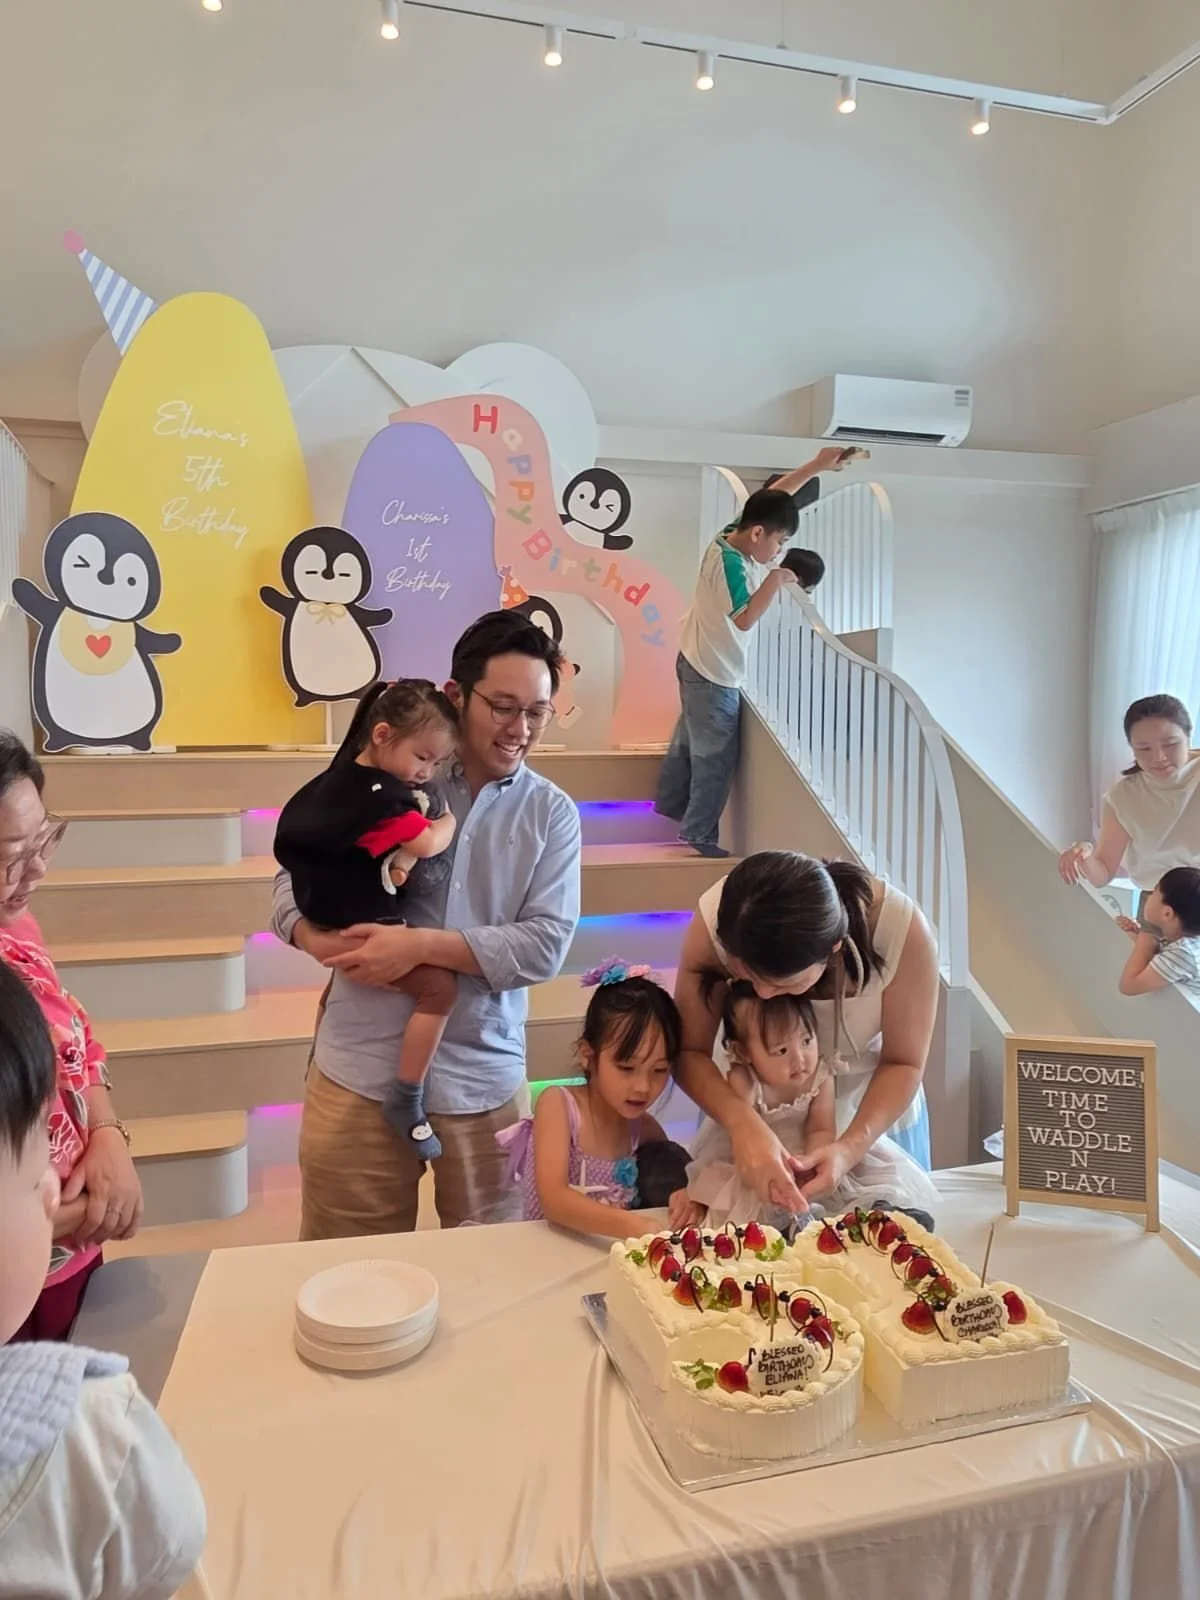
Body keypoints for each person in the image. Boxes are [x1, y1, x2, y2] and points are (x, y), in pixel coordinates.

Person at [272, 610, 582, 1238]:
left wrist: (417, 947)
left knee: (490, 1279)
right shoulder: (380, 777)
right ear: (455, 694)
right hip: (359, 1069)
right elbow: (289, 879)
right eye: (502, 706)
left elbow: (546, 944)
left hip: (483, 1081)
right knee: (343, 1266)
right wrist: (312, 936)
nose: (520, 729)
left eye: (537, 712)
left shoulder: (552, 815)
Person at [0, 960, 206, 1599]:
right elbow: (168, 1553)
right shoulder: (96, 1430)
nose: (50, 1180)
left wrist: (106, 1129)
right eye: (39, 1151)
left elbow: (73, 1040)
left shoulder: (26, 948)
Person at [672, 852, 939, 1211]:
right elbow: (689, 1052)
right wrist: (743, 1124)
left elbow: (904, 1063)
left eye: (784, 986)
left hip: (872, 1119)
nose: (763, 994)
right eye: (747, 980)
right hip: (752, 1109)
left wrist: (848, 1149)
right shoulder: (726, 921)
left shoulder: (903, 934)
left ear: (835, 950)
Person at [274, 679, 460, 1160]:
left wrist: (398, 863)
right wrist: (447, 824)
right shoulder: (383, 797)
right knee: (440, 988)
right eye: (423, 758)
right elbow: (425, 843)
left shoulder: (339, 781)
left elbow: (386, 850)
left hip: (329, 907)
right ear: (381, 735)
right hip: (361, 919)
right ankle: (407, 1095)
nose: (427, 772)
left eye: (437, 763)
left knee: (338, 986)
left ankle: (315, 1061)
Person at [0, 733, 142, 1341]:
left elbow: (74, 1035)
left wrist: (107, 1133)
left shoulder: (17, 923)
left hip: (70, 1255)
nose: (38, 868)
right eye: (12, 853)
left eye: (44, 841)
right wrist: (67, 1216)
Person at [656, 448, 851, 861]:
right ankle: (698, 832)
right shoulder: (732, 565)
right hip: (713, 673)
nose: (778, 553)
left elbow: (775, 496)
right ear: (759, 533)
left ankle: (672, 804)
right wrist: (777, 580)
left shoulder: (729, 537)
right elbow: (744, 619)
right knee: (715, 756)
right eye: (780, 542)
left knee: (689, 738)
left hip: (694, 658)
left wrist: (817, 465)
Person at [678, 980, 939, 1227]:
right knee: (745, 1203)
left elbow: (820, 1127)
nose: (800, 1060)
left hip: (809, 1151)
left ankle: (882, 1214)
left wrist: (810, 1162)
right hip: (757, 1158)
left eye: (806, 1041)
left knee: (858, 1185)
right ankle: (787, 1229)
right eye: (781, 1050)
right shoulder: (744, 1079)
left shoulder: (820, 1075)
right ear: (744, 1052)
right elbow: (747, 1132)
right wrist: (779, 1166)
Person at [497, 960, 684, 1238]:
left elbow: (671, 1174)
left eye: (659, 1070)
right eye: (626, 1067)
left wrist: (682, 1194)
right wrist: (631, 1225)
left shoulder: (644, 1129)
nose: (643, 1087)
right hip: (544, 1253)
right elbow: (554, 1200)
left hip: (605, 1259)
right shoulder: (559, 1106)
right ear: (588, 1055)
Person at [1059, 695, 1200, 900]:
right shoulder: (1123, 798)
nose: (1159, 757)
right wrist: (1082, 856)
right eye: (1144, 748)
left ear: (1188, 736)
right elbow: (1104, 873)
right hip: (1158, 903)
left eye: (1170, 744)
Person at [1117, 867, 1200, 996]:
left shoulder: (1184, 953)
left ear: (1167, 913)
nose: (1149, 896)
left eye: (1154, 891)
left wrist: (1145, 942)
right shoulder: (1186, 941)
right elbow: (1162, 957)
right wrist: (1138, 936)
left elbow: (1128, 986)